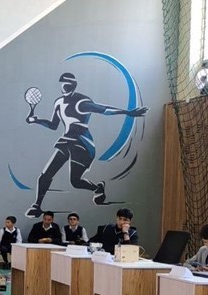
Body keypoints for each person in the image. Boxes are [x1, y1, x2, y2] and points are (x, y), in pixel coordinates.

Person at [24, 72, 147, 218]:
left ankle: (97, 187)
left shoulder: (81, 102)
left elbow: (103, 109)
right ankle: (36, 206)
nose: (65, 87)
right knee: (46, 174)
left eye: (68, 84)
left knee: (75, 182)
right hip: (66, 141)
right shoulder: (58, 103)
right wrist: (36, 120)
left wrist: (127, 112)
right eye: (63, 84)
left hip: (82, 143)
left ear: (73, 85)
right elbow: (53, 125)